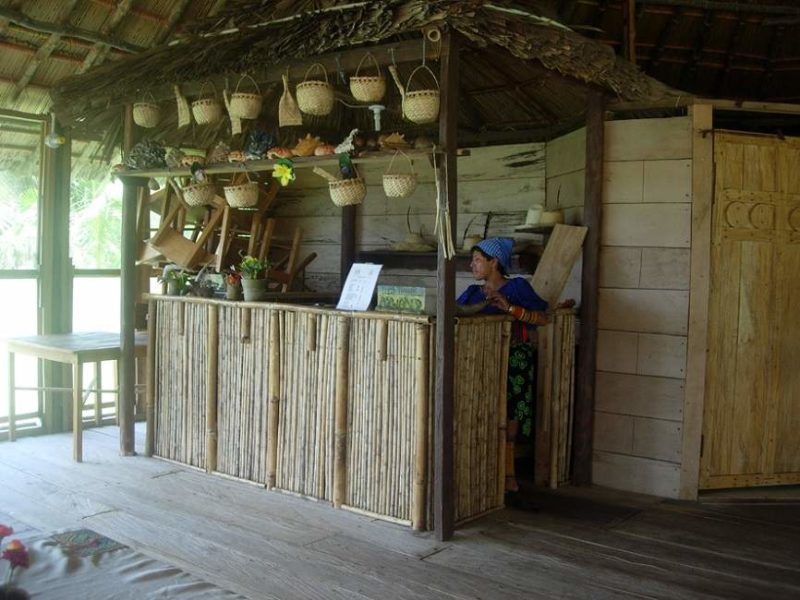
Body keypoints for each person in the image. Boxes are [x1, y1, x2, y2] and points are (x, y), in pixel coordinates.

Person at [457, 237, 548, 493]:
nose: (472, 266)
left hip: (515, 358)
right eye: (472, 260)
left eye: (477, 260)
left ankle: (508, 477)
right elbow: (455, 312)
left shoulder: (517, 288)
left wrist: (509, 308)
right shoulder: (473, 293)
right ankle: (481, 475)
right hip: (479, 358)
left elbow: (542, 318)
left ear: (494, 262)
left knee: (509, 417)